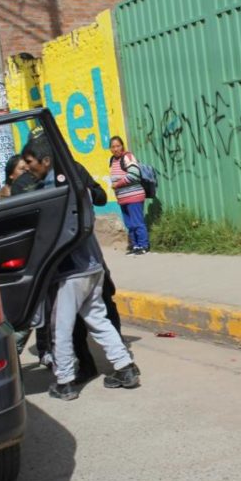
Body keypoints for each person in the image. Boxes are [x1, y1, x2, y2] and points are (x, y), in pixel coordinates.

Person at [21, 135, 140, 400]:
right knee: (98, 319)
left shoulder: (52, 190)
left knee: (61, 328)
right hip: (92, 264)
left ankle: (65, 382)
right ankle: (125, 367)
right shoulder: (75, 179)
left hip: (70, 271)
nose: (27, 167)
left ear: (46, 160)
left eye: (30, 162)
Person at [108, 136, 150, 255]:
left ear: (122, 146)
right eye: (113, 147)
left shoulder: (127, 157)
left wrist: (118, 184)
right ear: (110, 149)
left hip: (134, 196)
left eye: (118, 146)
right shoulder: (112, 160)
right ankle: (135, 246)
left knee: (137, 222)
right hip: (123, 199)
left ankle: (144, 245)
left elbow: (134, 175)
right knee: (129, 224)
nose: (116, 149)